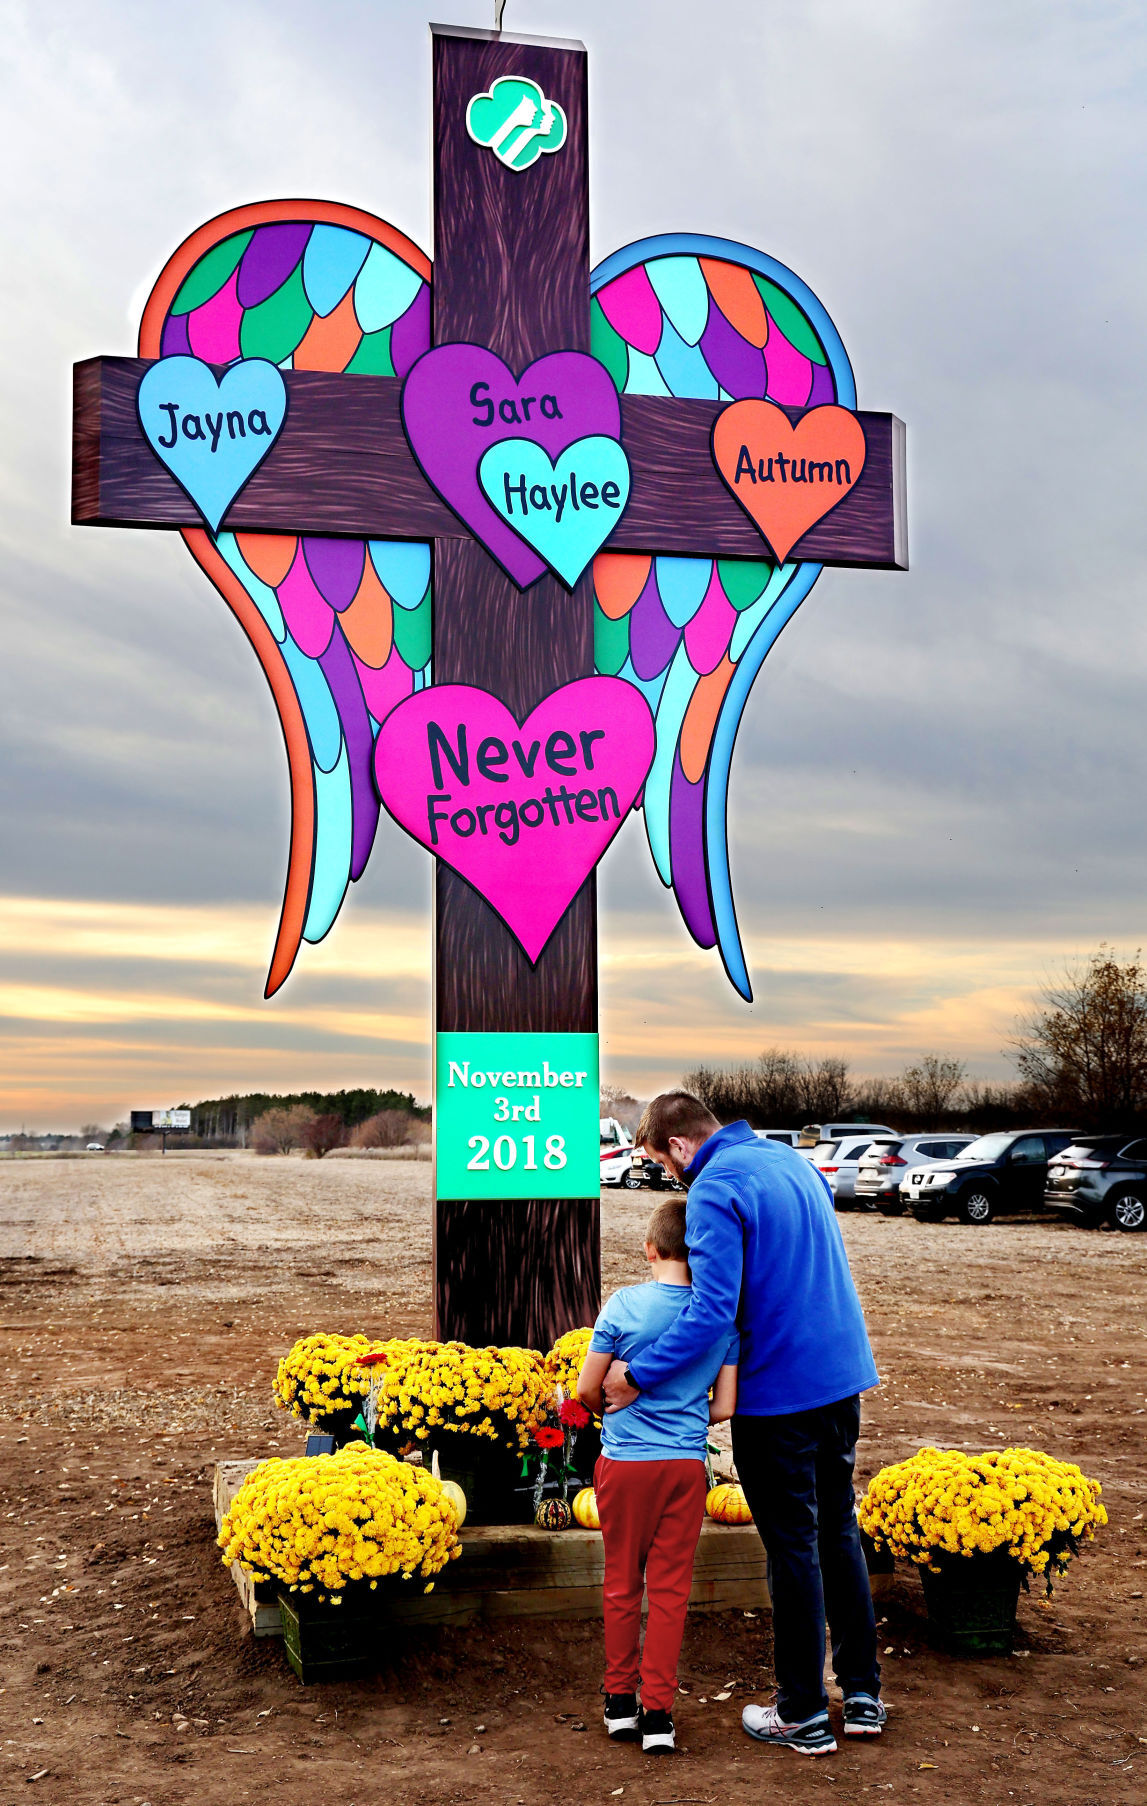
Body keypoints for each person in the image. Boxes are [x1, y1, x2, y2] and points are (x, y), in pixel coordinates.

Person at [601, 1093, 885, 1759]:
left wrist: (635, 1376)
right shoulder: (788, 1162)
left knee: (791, 1547)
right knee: (837, 1530)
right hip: (840, 1376)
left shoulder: (715, 1187)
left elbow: (709, 1311)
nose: (673, 1181)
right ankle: (862, 1693)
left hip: (778, 1392)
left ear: (674, 1145)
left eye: (662, 1167)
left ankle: (802, 1713)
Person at [578, 1198, 738, 1756]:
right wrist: (686, 1406)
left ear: (650, 1249)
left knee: (623, 1583)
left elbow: (586, 1391)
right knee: (670, 1593)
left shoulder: (624, 1305)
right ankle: (659, 1715)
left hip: (625, 1465)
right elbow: (725, 1407)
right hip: (685, 1468)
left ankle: (619, 1703)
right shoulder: (718, 1316)